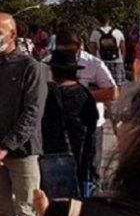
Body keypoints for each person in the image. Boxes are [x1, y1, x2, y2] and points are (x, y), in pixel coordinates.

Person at [36, 55, 140, 216]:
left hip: (51, 153)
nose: (121, 125)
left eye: (128, 115)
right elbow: (91, 125)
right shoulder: (84, 95)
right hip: (78, 154)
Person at [0, 13, 47, 216]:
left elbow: (32, 113)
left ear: (13, 34)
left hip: (21, 151)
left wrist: (6, 146)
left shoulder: (31, 67)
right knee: (4, 210)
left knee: (26, 211)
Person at [43, 28, 117, 195]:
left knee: (91, 172)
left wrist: (78, 94)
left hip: (87, 132)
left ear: (80, 46)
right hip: (55, 141)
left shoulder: (94, 63)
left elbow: (113, 92)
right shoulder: (46, 63)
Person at [39, 50, 97, 201]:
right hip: (78, 159)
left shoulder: (47, 93)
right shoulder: (85, 96)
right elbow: (91, 131)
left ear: (53, 71)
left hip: (49, 156)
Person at [89, 16, 126, 85]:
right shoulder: (118, 32)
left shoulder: (95, 33)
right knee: (118, 84)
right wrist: (122, 60)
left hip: (101, 62)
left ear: (99, 22)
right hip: (117, 61)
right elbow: (123, 48)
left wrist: (94, 62)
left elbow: (92, 49)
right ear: (109, 21)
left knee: (103, 85)